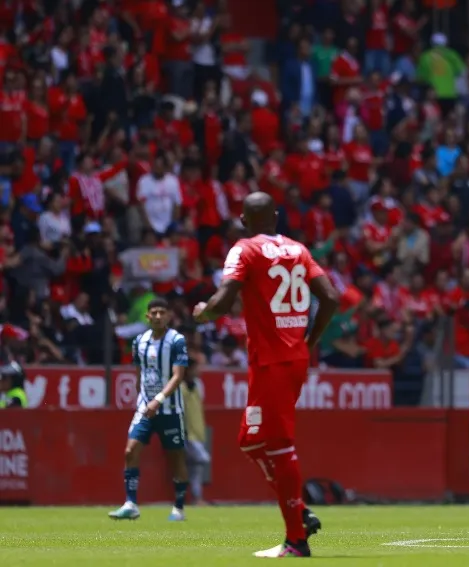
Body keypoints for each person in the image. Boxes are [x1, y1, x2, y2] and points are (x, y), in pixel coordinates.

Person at [192, 191, 340, 558]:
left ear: (244, 221)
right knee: (249, 438)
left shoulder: (244, 249)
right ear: (275, 216)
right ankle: (300, 511)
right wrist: (310, 338)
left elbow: (224, 301)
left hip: (272, 360)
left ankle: (296, 540)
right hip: (292, 358)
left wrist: (203, 313)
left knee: (279, 445)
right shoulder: (298, 249)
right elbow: (332, 298)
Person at [109, 298, 191, 522]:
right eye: (153, 312)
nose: (157, 316)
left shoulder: (176, 341)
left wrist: (159, 399)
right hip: (145, 408)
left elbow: (178, 375)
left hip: (170, 410)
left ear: (168, 316)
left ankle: (179, 507)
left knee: (175, 458)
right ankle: (131, 504)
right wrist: (143, 398)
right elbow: (139, 373)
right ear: (147, 316)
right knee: (130, 451)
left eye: (161, 312)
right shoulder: (139, 342)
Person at [181, 358, 210, 506]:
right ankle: (195, 498)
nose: (198, 371)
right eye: (195, 368)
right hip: (186, 434)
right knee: (202, 459)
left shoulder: (198, 386)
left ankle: (196, 498)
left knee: (194, 470)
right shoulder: (180, 388)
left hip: (198, 433)